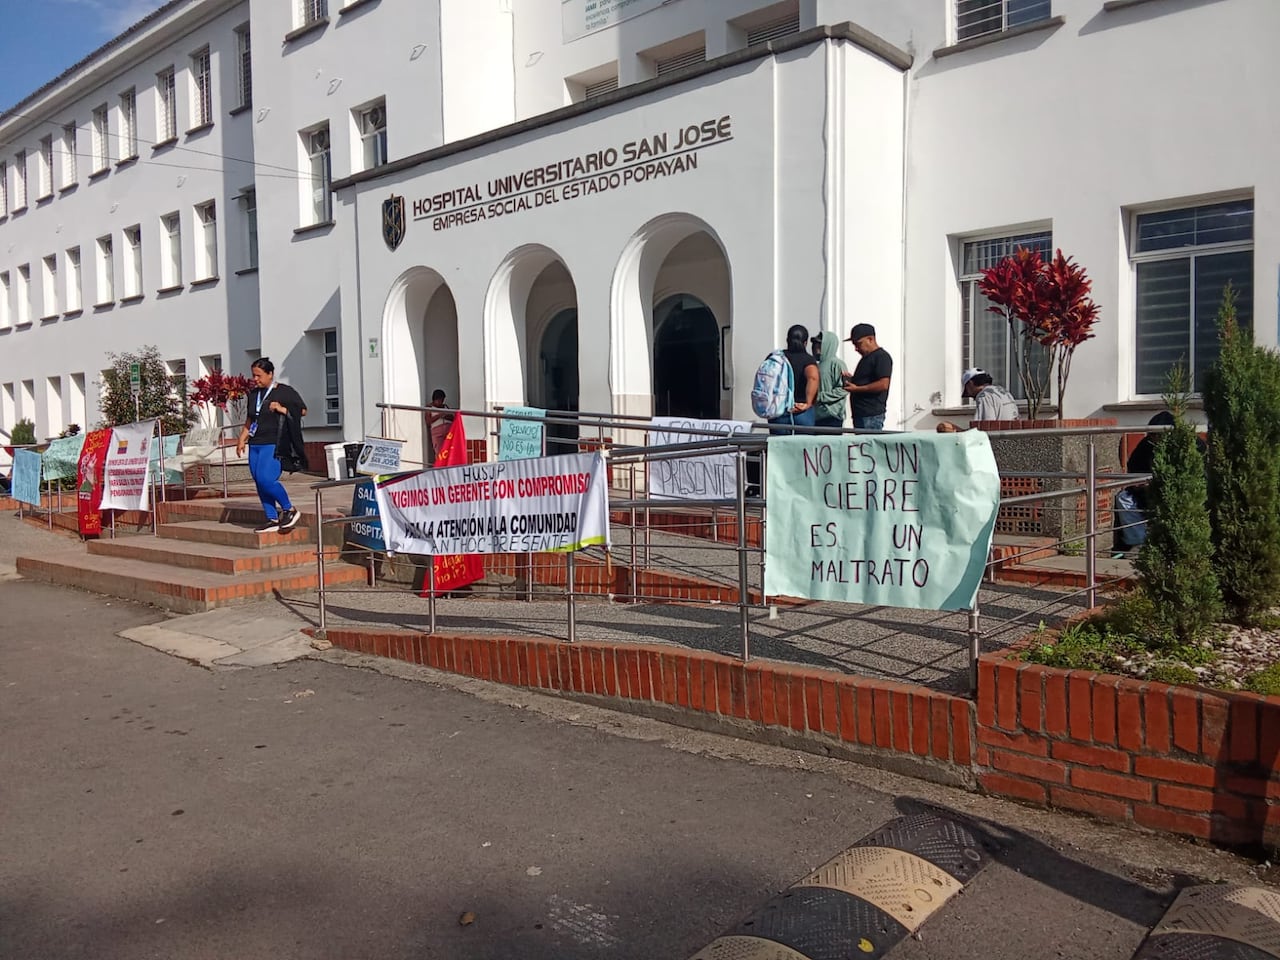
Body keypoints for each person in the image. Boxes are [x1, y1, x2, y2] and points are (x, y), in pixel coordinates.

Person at [236, 358, 307, 534]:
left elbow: (302, 411)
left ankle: (289, 509)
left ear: (270, 374)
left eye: (259, 376)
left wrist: (282, 409)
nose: (255, 379)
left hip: (274, 441)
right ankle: (272, 518)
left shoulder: (285, 391)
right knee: (259, 481)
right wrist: (242, 438)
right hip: (255, 442)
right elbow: (251, 418)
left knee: (266, 479)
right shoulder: (254, 394)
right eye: (253, 375)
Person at [769, 324, 819, 434]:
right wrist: (808, 403)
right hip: (801, 411)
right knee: (803, 444)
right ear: (805, 343)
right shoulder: (808, 360)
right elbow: (813, 378)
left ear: (787, 340)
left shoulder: (776, 357)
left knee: (779, 444)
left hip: (778, 410)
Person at [937, 368, 1019, 432]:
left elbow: (986, 427)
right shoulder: (1002, 391)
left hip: (998, 443)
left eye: (967, 391)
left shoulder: (984, 396)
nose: (972, 398)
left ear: (970, 384)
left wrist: (956, 430)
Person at [843, 323, 892, 430]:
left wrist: (857, 389)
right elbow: (867, 380)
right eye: (854, 344)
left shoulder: (881, 357)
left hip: (871, 415)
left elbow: (883, 384)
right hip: (861, 415)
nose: (856, 348)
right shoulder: (866, 358)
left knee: (869, 441)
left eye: (858, 344)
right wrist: (851, 381)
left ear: (870, 339)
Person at [811, 331, 849, 432]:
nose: (815, 347)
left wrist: (820, 397)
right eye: (814, 344)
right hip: (817, 416)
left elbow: (844, 389)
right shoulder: (815, 365)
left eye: (819, 344)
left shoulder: (838, 364)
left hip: (832, 415)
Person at [426, 389, 455, 461]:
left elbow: (453, 418)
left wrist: (446, 416)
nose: (441, 402)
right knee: (439, 452)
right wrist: (439, 415)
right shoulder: (429, 407)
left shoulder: (445, 406)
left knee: (450, 451)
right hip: (437, 433)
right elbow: (428, 421)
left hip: (448, 431)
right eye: (439, 400)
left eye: (442, 400)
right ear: (434, 399)